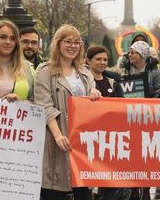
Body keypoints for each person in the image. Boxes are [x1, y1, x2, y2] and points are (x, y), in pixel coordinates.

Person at [34, 24, 101, 200]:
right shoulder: (45, 71)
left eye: (77, 42)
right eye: (68, 41)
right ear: (58, 43)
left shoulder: (86, 74)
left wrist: (95, 94)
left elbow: (94, 107)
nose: (73, 46)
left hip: (81, 145)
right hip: (57, 142)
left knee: (82, 191)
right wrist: (58, 136)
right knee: (55, 190)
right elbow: (45, 106)